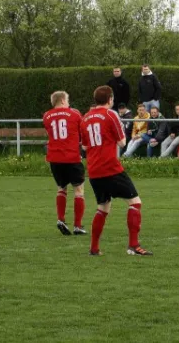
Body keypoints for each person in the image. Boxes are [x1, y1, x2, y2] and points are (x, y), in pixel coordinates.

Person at [81, 85, 152, 256]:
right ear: (110, 100)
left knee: (103, 208)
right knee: (135, 202)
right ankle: (133, 245)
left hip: (94, 170)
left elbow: (84, 146)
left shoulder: (85, 118)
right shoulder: (110, 114)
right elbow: (122, 142)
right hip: (110, 167)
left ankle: (94, 248)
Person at [43, 91, 87, 236]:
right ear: (62, 100)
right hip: (72, 157)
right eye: (67, 100)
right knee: (79, 190)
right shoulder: (74, 114)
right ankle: (78, 226)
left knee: (61, 188)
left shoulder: (46, 116)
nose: (68, 103)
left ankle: (61, 219)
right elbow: (82, 131)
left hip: (55, 158)